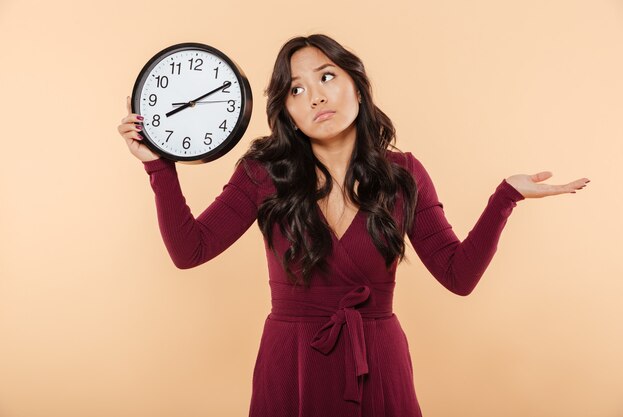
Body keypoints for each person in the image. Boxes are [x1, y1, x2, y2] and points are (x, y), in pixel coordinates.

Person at [117, 34, 590, 417]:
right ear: (288, 114)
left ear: (357, 89)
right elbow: (190, 250)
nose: (316, 95)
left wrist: (504, 198)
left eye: (327, 77)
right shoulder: (262, 173)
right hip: (292, 365)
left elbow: (458, 275)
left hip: (378, 364)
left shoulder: (403, 174)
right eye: (296, 90)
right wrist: (159, 167)